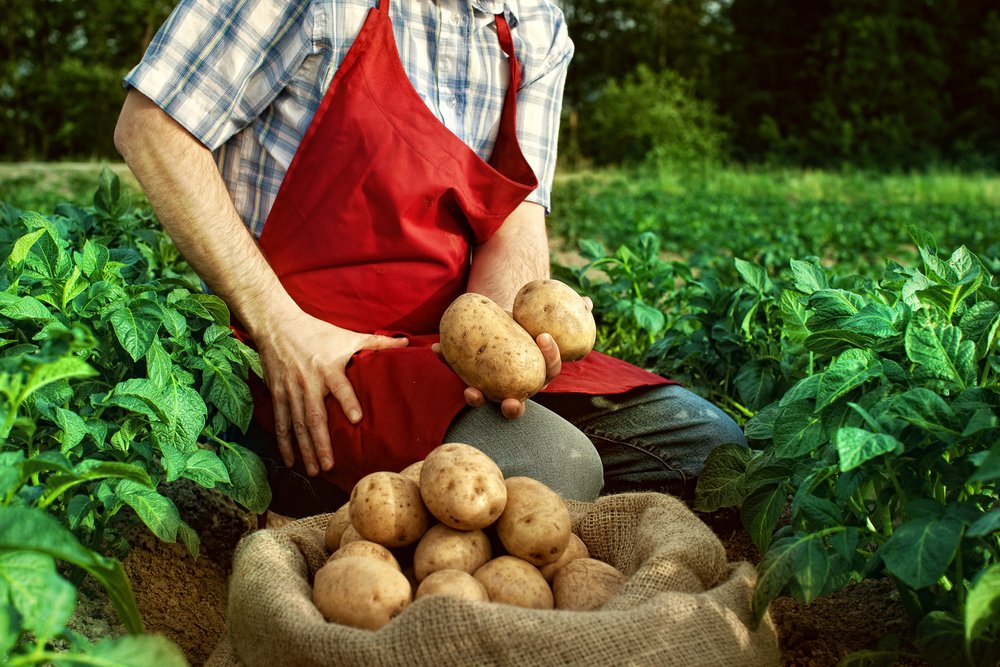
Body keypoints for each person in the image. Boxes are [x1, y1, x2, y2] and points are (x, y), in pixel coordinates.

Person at [114, 0, 746, 517]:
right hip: (306, 346)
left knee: (710, 449)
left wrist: (501, 350)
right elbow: (152, 127)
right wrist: (279, 326)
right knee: (558, 470)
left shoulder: (534, 21)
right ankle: (299, 482)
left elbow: (516, 217)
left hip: (442, 349)